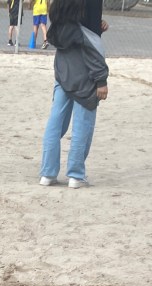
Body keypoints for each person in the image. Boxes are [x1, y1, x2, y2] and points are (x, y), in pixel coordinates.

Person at [38, 0, 109, 188]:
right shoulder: (87, 15)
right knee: (82, 125)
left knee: (55, 122)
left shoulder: (59, 19)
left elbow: (75, 34)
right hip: (85, 78)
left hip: (63, 73)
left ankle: (47, 173)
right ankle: (76, 175)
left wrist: (96, 28)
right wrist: (101, 81)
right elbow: (91, 50)